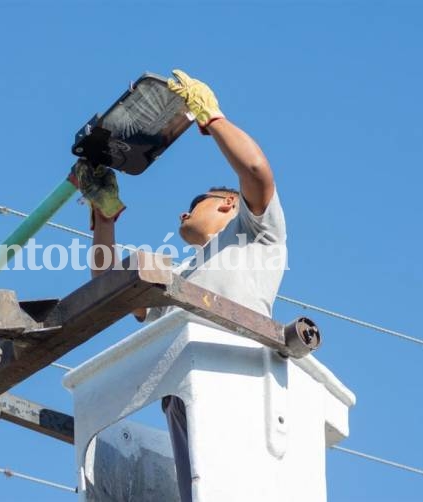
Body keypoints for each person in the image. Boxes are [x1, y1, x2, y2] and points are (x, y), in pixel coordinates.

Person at [81, 69, 287, 502]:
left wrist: (211, 118)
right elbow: (105, 285)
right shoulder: (174, 281)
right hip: (185, 398)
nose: (181, 215)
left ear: (228, 203)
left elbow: (255, 170)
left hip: (241, 373)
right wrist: (103, 216)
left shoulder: (255, 236)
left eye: (194, 205)